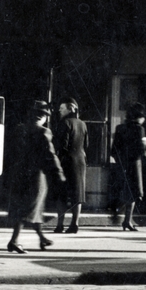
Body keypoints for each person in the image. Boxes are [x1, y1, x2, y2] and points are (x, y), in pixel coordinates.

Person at [6, 100, 64, 254]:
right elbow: (50, 156)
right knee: (29, 208)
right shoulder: (43, 132)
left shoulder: (19, 129)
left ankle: (42, 238)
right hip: (36, 177)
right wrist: (59, 175)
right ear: (43, 117)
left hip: (18, 174)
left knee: (33, 209)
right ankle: (14, 241)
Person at [110, 104, 146, 232]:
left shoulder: (120, 128)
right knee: (134, 193)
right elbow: (141, 150)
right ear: (139, 117)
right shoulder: (140, 129)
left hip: (121, 164)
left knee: (122, 189)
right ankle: (127, 220)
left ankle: (118, 214)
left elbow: (114, 149)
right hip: (134, 164)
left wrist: (119, 160)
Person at [51, 99, 87, 234]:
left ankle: (60, 225)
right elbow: (86, 144)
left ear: (70, 109)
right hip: (80, 161)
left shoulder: (63, 123)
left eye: (62, 108)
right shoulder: (83, 124)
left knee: (62, 193)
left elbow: (61, 145)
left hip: (66, 161)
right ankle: (74, 224)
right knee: (78, 193)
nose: (59, 110)